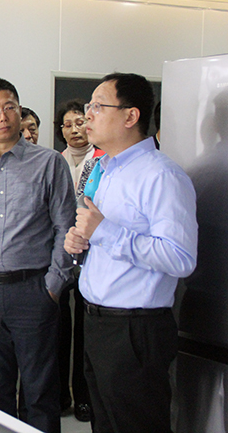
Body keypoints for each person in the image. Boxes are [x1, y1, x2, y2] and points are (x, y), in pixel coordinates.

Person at [64, 73, 198, 433]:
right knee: (105, 424)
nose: (88, 115)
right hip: (97, 321)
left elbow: (180, 257)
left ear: (130, 116)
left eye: (98, 106)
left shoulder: (162, 175)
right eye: (89, 105)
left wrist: (104, 231)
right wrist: (82, 241)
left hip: (134, 330)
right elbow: (105, 237)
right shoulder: (105, 169)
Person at [0, 78, 75, 433]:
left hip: (33, 290)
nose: (2, 117)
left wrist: (53, 285)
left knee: (40, 390)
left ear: (20, 112)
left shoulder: (49, 163)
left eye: (9, 108)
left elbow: (65, 227)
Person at [52, 100, 105, 421]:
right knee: (58, 328)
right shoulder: (54, 161)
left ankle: (84, 397)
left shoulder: (103, 160)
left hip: (94, 254)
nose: (75, 130)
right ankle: (60, 395)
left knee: (87, 330)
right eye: (68, 125)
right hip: (60, 254)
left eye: (80, 122)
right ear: (61, 131)